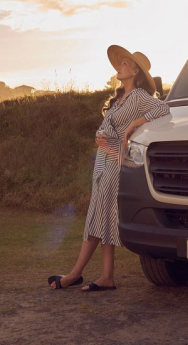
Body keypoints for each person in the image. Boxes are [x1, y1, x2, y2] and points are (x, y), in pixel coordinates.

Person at [48, 45, 170, 291]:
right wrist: (101, 139)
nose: (119, 67)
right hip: (103, 162)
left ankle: (74, 274)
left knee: (96, 218)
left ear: (135, 71)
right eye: (120, 63)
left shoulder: (137, 97)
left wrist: (135, 123)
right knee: (102, 218)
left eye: (125, 64)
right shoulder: (118, 99)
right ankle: (106, 277)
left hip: (115, 162)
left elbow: (164, 109)